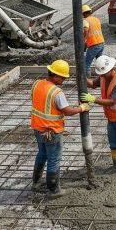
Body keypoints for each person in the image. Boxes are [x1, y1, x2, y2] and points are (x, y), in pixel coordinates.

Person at [30, 60, 92, 198]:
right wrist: (81, 108)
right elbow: (67, 110)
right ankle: (53, 190)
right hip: (51, 131)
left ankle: (36, 183)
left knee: (42, 154)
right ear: (55, 76)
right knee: (54, 159)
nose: (64, 80)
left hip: (37, 128)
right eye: (63, 77)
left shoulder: (36, 84)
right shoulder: (56, 92)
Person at [82, 4, 105, 73]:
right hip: (101, 43)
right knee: (100, 63)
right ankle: (103, 78)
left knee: (87, 63)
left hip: (94, 44)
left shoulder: (85, 20)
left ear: (84, 13)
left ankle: (86, 80)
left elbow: (86, 30)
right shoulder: (96, 19)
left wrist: (84, 41)